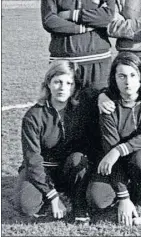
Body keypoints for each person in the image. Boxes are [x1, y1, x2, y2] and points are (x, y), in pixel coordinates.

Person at [86, 52, 141, 225]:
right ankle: (124, 192)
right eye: (121, 76)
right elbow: (109, 149)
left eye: (133, 75)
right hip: (117, 162)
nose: (128, 82)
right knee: (97, 199)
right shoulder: (108, 104)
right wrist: (123, 197)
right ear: (114, 78)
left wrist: (119, 149)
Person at [15, 61, 99, 223]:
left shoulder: (81, 111)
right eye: (57, 82)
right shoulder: (33, 116)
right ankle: (50, 194)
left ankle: (77, 201)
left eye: (69, 83)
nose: (62, 88)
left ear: (75, 87)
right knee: (26, 207)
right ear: (48, 83)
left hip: (69, 169)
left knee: (78, 158)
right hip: (42, 169)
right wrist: (53, 197)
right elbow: (32, 160)